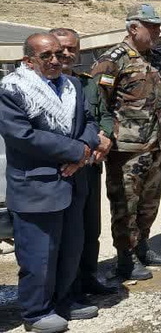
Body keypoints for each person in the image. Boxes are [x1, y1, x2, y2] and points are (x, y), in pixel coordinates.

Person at [1, 33, 106, 333]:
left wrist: (82, 152)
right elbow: (22, 136)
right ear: (28, 60)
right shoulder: (12, 90)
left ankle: (64, 301)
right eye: (46, 55)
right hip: (37, 187)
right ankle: (36, 312)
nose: (55, 60)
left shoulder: (73, 85)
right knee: (39, 255)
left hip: (73, 182)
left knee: (71, 249)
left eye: (59, 54)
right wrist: (76, 151)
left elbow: (90, 122)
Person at [88, 4, 161, 278]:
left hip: (155, 144)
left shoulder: (156, 58)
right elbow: (98, 104)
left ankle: (142, 247)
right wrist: (103, 136)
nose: (158, 32)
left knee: (149, 203)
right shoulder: (112, 60)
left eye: (158, 27)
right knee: (125, 206)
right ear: (134, 28)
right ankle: (125, 258)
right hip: (126, 150)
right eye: (153, 27)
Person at [49, 28, 116, 296]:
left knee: (91, 227)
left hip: (90, 167)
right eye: (62, 49)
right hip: (64, 169)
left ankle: (88, 276)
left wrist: (106, 136)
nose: (67, 54)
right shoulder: (43, 85)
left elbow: (104, 114)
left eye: (72, 49)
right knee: (68, 231)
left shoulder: (86, 83)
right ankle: (68, 285)